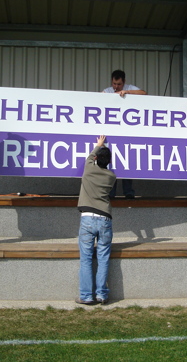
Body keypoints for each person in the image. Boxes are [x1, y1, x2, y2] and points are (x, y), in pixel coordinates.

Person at [76, 135, 116, 305]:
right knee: (103, 257)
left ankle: (86, 296)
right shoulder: (111, 177)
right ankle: (101, 294)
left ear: (97, 158)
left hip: (87, 218)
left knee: (85, 258)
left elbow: (90, 157)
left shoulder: (88, 169)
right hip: (105, 218)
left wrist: (98, 145)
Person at [102, 70, 146, 198]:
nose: (116, 87)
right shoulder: (108, 91)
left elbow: (144, 93)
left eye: (119, 84)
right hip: (111, 133)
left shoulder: (129, 88)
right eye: (114, 84)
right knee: (112, 163)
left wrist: (127, 93)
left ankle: (128, 193)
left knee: (126, 162)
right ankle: (111, 193)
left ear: (124, 82)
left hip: (126, 133)